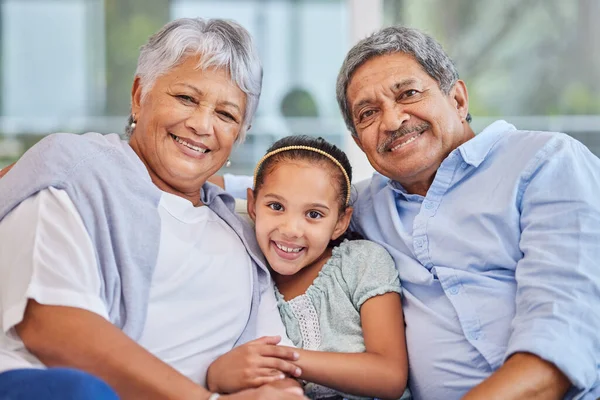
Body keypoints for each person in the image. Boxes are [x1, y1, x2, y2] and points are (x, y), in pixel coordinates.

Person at [218, 26, 600, 399]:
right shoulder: (363, 204)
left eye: (409, 94)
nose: (393, 120)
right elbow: (252, 188)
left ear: (458, 99)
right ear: (358, 142)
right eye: (368, 113)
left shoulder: (546, 162)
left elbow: (558, 344)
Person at [0, 18, 307, 400]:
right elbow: (53, 328)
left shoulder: (246, 227)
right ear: (139, 95)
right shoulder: (74, 175)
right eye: (186, 98)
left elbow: (268, 363)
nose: (201, 125)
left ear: (239, 135)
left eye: (226, 115)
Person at [244, 135, 408, 399]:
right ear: (252, 205)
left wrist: (277, 359)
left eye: (314, 214)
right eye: (276, 206)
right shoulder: (248, 274)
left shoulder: (362, 263)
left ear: (341, 222)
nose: (291, 230)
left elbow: (390, 377)